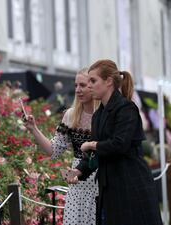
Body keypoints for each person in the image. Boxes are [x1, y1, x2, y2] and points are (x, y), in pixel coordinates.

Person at [66, 59, 162, 225]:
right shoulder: (98, 116)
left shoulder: (126, 108)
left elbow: (120, 144)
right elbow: (96, 156)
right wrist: (78, 171)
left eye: (93, 81)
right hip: (109, 191)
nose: (89, 86)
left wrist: (91, 145)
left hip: (131, 187)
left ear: (108, 81)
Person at [24, 68, 98, 225]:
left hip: (101, 183)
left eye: (83, 85)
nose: (78, 90)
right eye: (76, 85)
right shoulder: (71, 115)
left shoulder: (104, 114)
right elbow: (53, 150)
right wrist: (34, 129)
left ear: (93, 86)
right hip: (77, 184)